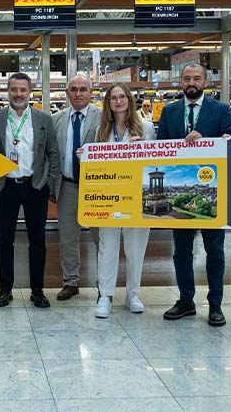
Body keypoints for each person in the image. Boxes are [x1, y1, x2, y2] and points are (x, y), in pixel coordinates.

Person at [157, 63, 231, 327]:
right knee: (181, 252)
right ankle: (185, 300)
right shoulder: (169, 111)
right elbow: (161, 148)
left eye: (197, 78)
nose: (191, 82)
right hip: (181, 186)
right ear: (181, 82)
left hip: (212, 191)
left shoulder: (221, 110)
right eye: (187, 78)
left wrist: (210, 140)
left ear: (206, 81)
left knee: (215, 252)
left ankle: (215, 305)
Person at [0, 73, 59, 308]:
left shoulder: (44, 119)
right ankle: (5, 290)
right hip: (5, 187)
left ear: (30, 92)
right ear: (8, 91)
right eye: (14, 89)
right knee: (5, 240)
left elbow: (53, 153)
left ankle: (38, 290)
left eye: (23, 90)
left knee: (38, 240)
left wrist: (49, 184)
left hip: (35, 186)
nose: (18, 94)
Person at [90, 83, 156, 317]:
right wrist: (84, 156)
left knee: (135, 248)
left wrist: (144, 149)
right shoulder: (101, 130)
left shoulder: (146, 127)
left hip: (137, 196)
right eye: (113, 98)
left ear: (129, 99)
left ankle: (132, 294)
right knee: (107, 247)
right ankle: (105, 295)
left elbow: (157, 159)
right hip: (110, 196)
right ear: (108, 103)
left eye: (122, 97)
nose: (118, 101)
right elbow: (96, 162)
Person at [50, 75, 100, 301]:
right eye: (74, 89)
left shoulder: (104, 116)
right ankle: (70, 282)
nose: (78, 94)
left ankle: (104, 285)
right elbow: (51, 154)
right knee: (68, 237)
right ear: (67, 93)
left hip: (97, 188)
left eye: (83, 89)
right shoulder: (56, 119)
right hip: (67, 185)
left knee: (102, 237)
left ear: (91, 92)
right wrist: (52, 186)